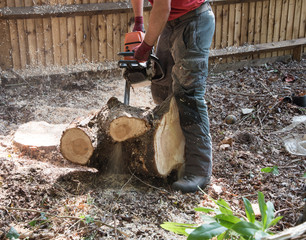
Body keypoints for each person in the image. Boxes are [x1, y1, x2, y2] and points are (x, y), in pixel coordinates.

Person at [131, 0, 215, 193]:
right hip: (171, 22)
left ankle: (199, 170)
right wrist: (138, 21)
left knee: (188, 95)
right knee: (161, 85)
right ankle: (171, 153)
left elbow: (162, 8)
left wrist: (145, 47)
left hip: (193, 21)